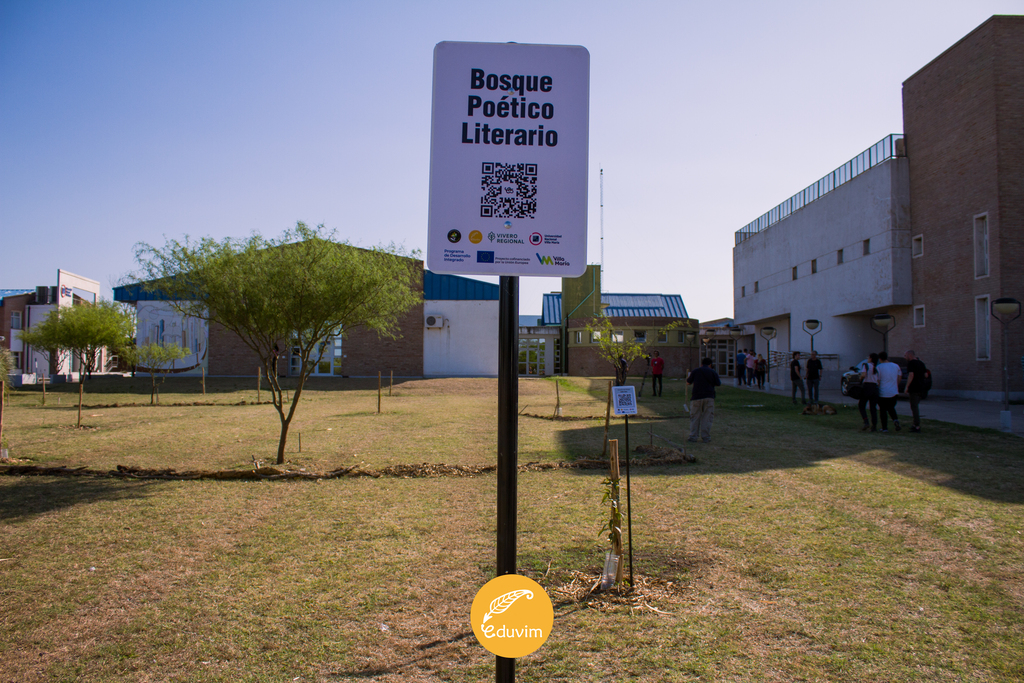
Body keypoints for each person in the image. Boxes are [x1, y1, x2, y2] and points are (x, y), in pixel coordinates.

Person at [686, 357, 721, 443]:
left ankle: (693, 436)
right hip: (709, 397)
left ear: (701, 364)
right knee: (707, 418)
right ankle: (706, 437)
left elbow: (688, 382)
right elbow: (718, 383)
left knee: (695, 417)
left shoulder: (696, 371)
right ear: (710, 365)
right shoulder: (713, 372)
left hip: (696, 397)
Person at [875, 351, 902, 432]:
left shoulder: (879, 367)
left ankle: (884, 427)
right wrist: (895, 385)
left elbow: (878, 381)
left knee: (882, 410)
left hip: (883, 392)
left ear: (880, 359)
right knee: (891, 408)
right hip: (893, 392)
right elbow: (899, 377)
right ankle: (895, 420)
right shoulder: (895, 366)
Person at [904, 349, 928, 433]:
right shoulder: (921, 363)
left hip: (914, 388)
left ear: (910, 355)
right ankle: (915, 424)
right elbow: (926, 374)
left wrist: (907, 386)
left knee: (914, 407)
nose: (905, 357)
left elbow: (911, 375)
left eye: (905, 356)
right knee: (915, 405)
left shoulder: (911, 363)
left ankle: (917, 425)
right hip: (921, 388)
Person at [858, 353, 880, 431]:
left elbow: (863, 375)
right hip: (875, 388)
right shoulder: (876, 368)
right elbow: (878, 380)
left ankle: (866, 421)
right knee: (873, 408)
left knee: (861, 405)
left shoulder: (866, 365)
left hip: (867, 386)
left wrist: (860, 380)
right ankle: (874, 425)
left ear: (870, 358)